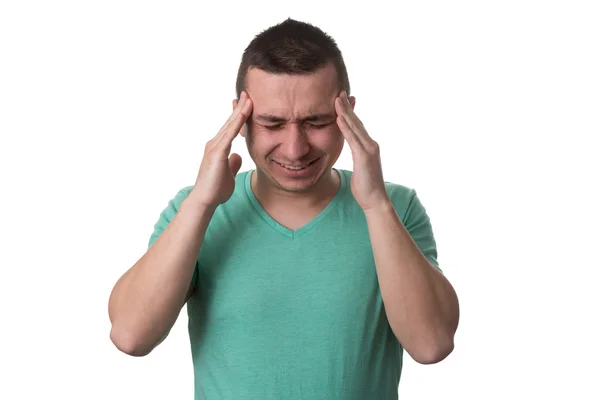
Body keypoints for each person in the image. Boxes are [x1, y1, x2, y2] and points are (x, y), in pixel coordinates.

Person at [108, 18, 460, 399]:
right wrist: (202, 203)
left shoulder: (396, 208)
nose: (295, 149)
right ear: (239, 120)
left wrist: (375, 205)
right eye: (272, 123)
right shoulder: (194, 211)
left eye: (316, 121)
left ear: (348, 115)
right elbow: (130, 336)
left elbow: (431, 345)